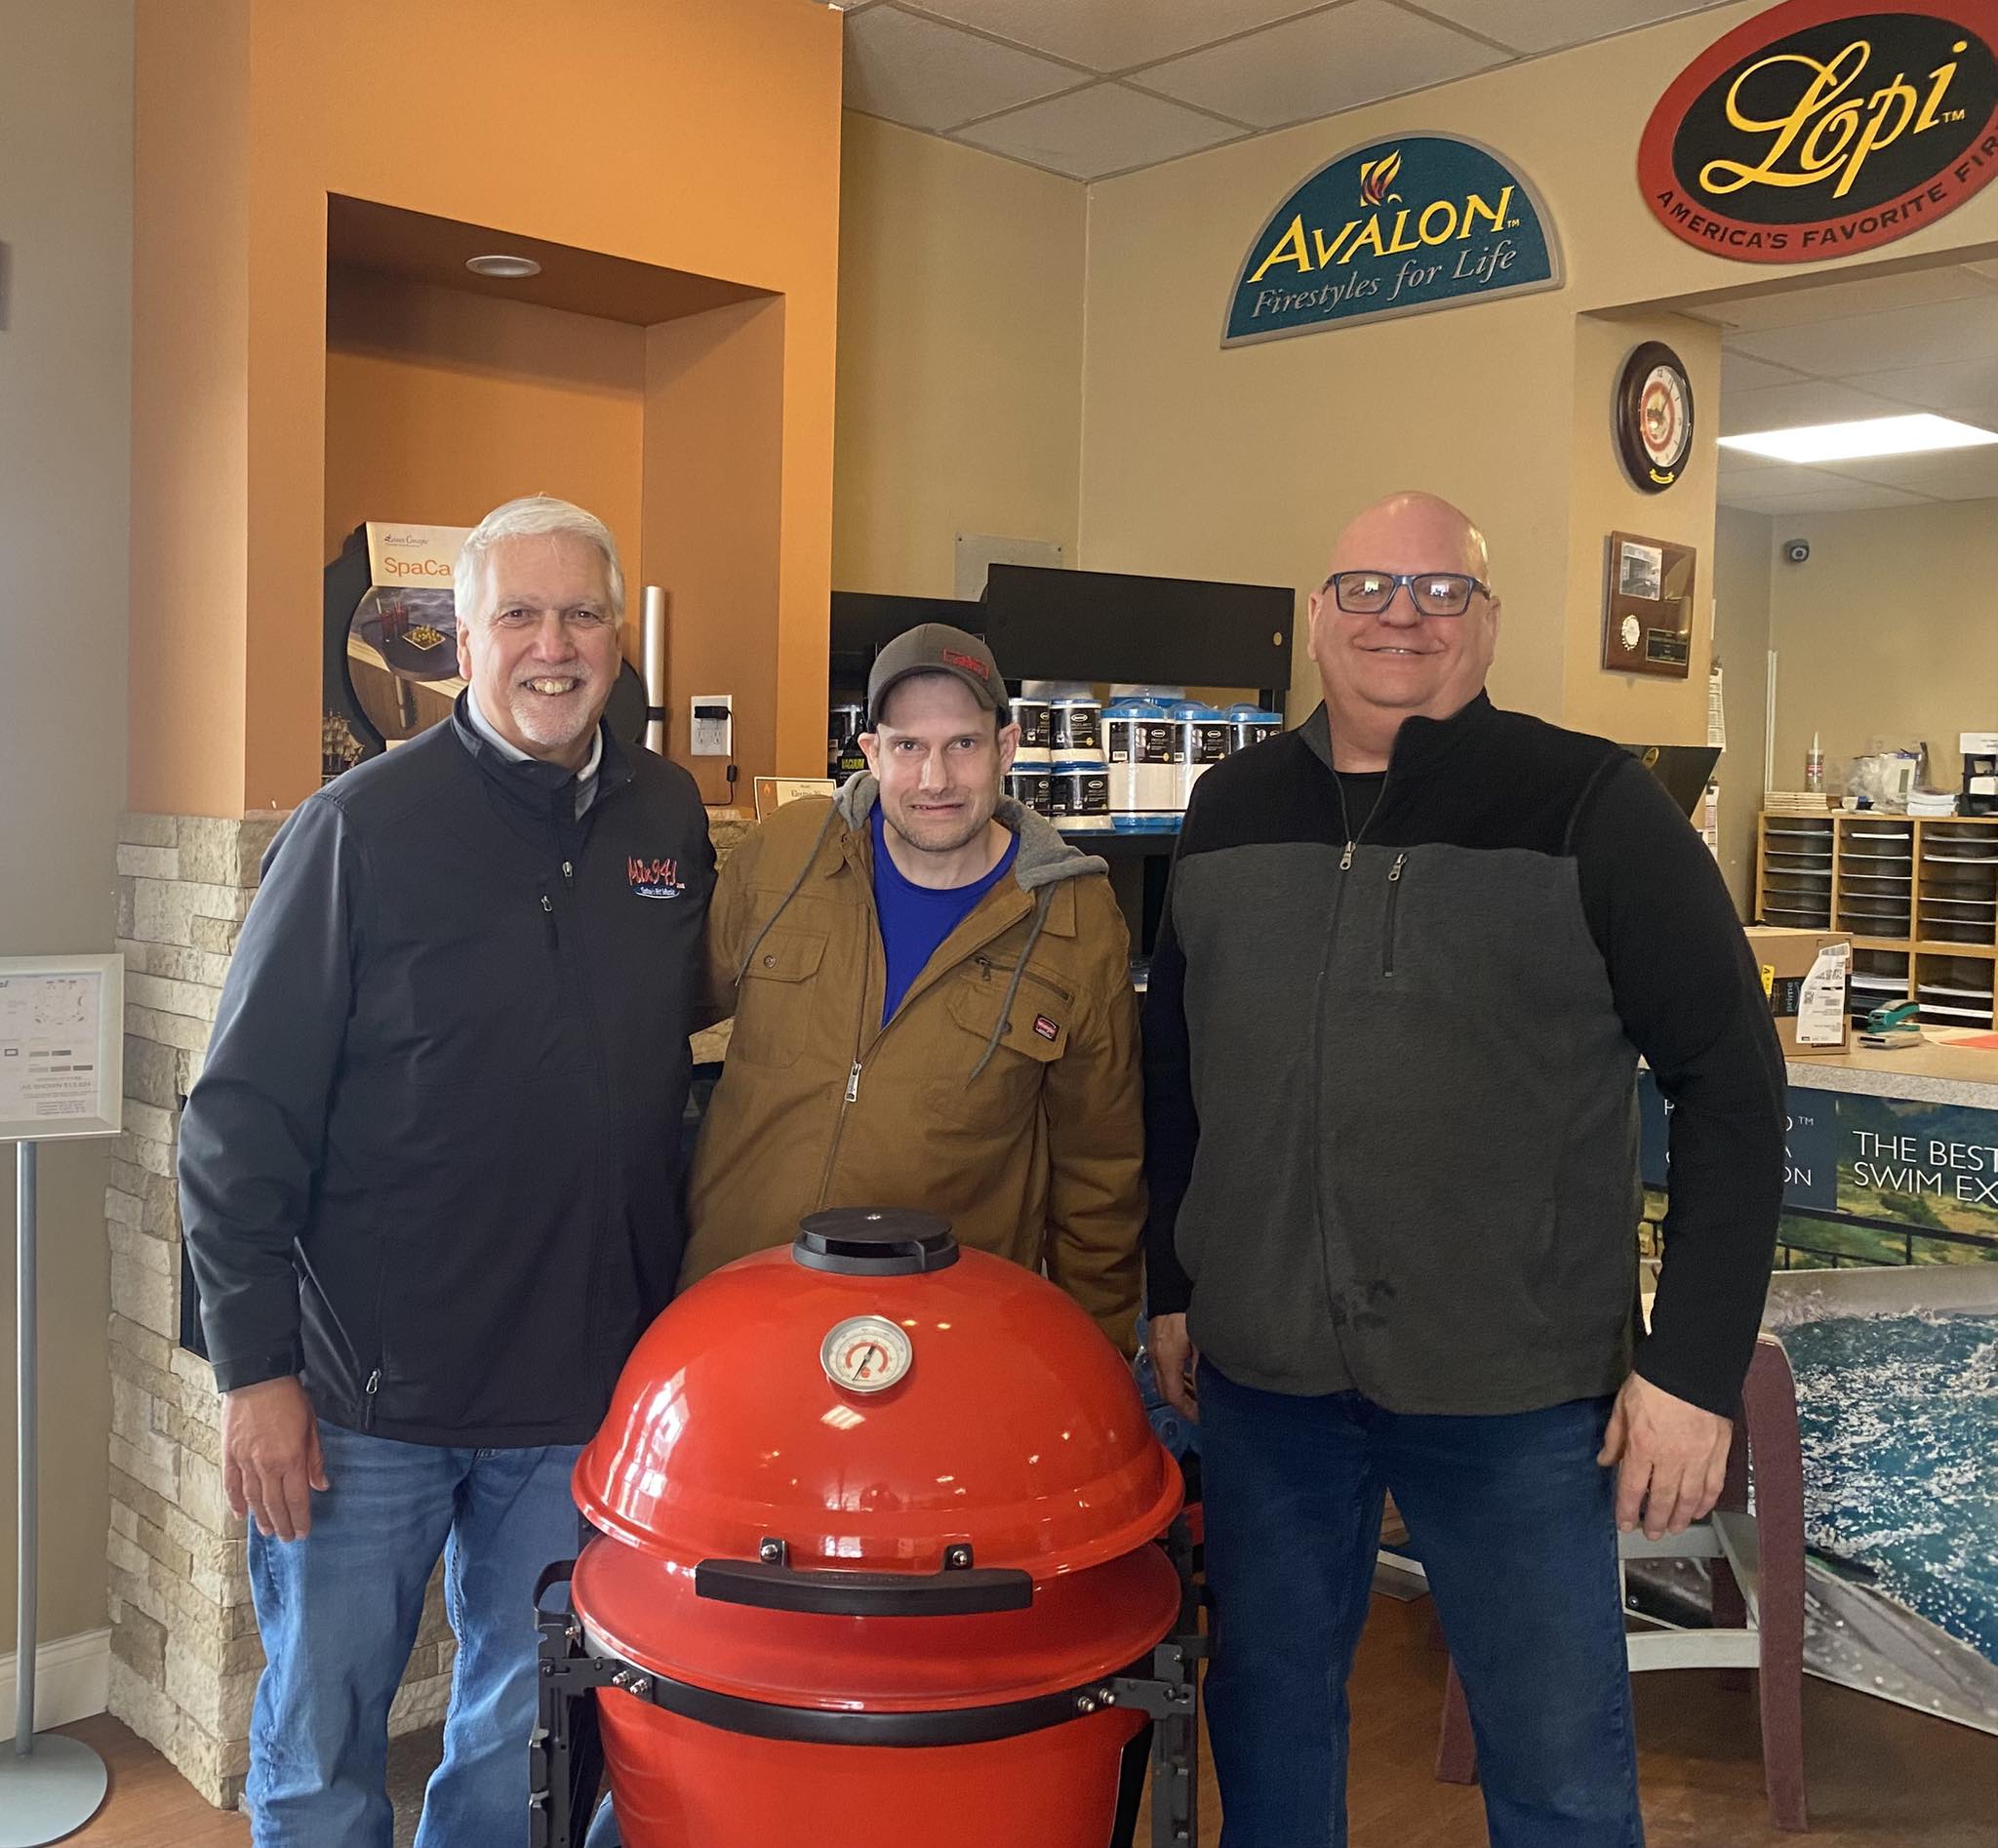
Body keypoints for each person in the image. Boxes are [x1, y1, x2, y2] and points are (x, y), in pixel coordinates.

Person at [1142, 491, 1784, 1847]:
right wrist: (1175, 1285)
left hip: (1513, 1388)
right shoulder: (1227, 810)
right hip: (1267, 1380)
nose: (1401, 615)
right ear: (1317, 614)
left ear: (1487, 622)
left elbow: (1732, 1082)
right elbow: (1178, 1069)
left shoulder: (1591, 805)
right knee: (1267, 1731)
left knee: (1555, 1769)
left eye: (1441, 591)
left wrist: (1690, 1368)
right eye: (1367, 586)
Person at [179, 496, 714, 1848]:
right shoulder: (358, 828)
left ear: (617, 638)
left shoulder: (665, 814)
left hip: (576, 1389)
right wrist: (254, 1374)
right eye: (517, 614)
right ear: (461, 642)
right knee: (319, 1736)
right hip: (365, 1399)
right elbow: (237, 1120)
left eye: (580, 614)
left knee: (519, 1730)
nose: (553, 644)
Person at [680, 623, 1144, 1348]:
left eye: (962, 744)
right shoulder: (783, 856)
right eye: (908, 747)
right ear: (871, 752)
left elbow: (1099, 1172)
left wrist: (1099, 1353)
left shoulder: (1075, 921)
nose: (935, 780)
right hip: (737, 1316)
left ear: (1006, 747)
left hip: (944, 1344)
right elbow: (660, 1016)